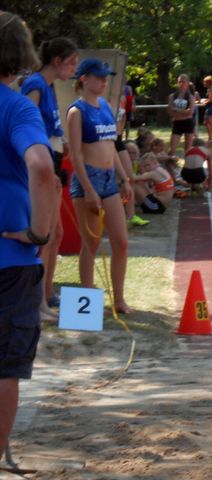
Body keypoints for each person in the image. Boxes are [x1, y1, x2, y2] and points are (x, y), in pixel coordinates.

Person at [0, 9, 57, 457]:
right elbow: (41, 167)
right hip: (10, 260)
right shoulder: (17, 106)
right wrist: (39, 233)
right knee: (4, 367)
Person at [67, 58, 133, 314]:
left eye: (106, 77)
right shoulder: (76, 112)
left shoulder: (105, 106)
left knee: (121, 241)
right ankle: (88, 304)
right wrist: (88, 190)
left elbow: (111, 146)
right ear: (84, 79)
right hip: (89, 180)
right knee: (91, 244)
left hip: (109, 180)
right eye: (99, 77)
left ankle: (119, 299)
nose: (105, 81)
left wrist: (124, 178)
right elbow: (75, 155)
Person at [20, 37, 78, 318]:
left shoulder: (50, 87)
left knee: (57, 234)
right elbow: (27, 127)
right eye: (72, 63)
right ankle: (37, 302)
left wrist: (61, 141)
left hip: (53, 161)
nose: (74, 69)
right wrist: (45, 170)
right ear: (57, 61)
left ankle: (47, 293)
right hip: (42, 167)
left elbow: (49, 126)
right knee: (45, 234)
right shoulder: (35, 85)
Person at [116, 85, 148, 228]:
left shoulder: (123, 98)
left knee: (131, 178)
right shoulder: (104, 98)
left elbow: (124, 118)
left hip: (117, 140)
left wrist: (119, 132)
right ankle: (114, 214)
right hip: (105, 142)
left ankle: (131, 216)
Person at [167, 73, 195, 157]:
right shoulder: (173, 96)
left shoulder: (190, 97)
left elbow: (190, 111)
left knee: (188, 149)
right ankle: (170, 162)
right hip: (177, 123)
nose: (181, 84)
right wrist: (181, 112)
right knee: (172, 149)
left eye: (183, 82)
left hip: (188, 122)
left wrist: (177, 111)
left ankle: (188, 164)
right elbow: (170, 110)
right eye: (179, 82)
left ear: (187, 83)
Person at [201, 75, 212, 146]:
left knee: (211, 124)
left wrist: (203, 102)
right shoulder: (208, 90)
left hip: (210, 108)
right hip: (208, 107)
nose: (204, 83)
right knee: (206, 123)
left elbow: (210, 100)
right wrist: (203, 100)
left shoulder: (211, 90)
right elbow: (209, 99)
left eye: (205, 82)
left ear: (208, 82)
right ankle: (210, 138)